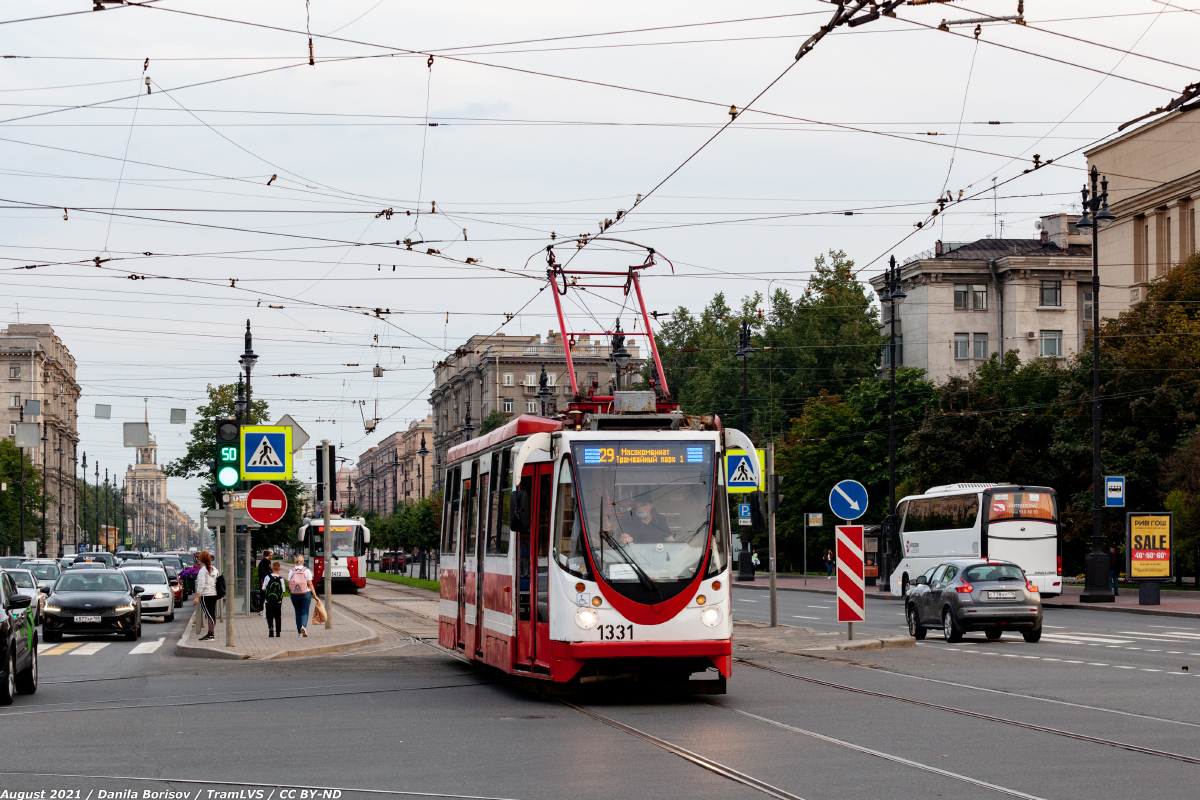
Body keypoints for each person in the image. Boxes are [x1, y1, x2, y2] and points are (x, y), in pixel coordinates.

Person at [193, 551, 219, 641]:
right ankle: (211, 633)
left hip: (206, 595)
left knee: (209, 615)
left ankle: (210, 635)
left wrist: (197, 597)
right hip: (214, 594)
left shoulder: (202, 571)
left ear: (201, 560)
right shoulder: (214, 569)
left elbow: (201, 584)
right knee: (212, 614)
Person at [288, 554, 316, 637]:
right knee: (305, 612)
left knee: (297, 612)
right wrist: (315, 595)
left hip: (294, 595)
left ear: (294, 561)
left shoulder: (291, 570)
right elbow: (310, 584)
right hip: (305, 593)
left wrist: (292, 591)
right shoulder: (306, 570)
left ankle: (299, 633)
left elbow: (289, 583)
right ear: (303, 561)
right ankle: (303, 626)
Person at [262, 561, 285, 637]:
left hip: (268, 600)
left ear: (271, 568)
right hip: (278, 601)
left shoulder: (267, 577)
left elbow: (263, 588)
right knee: (278, 616)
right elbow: (283, 590)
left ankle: (271, 628)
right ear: (279, 569)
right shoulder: (281, 579)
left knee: (269, 615)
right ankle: (278, 632)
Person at [256, 549, 273, 617]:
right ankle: (264, 609)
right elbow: (267, 571)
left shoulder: (262, 561)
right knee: (265, 594)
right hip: (265, 580)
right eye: (270, 555)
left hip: (262, 579)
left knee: (263, 594)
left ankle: (262, 609)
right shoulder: (267, 561)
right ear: (268, 555)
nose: (271, 557)